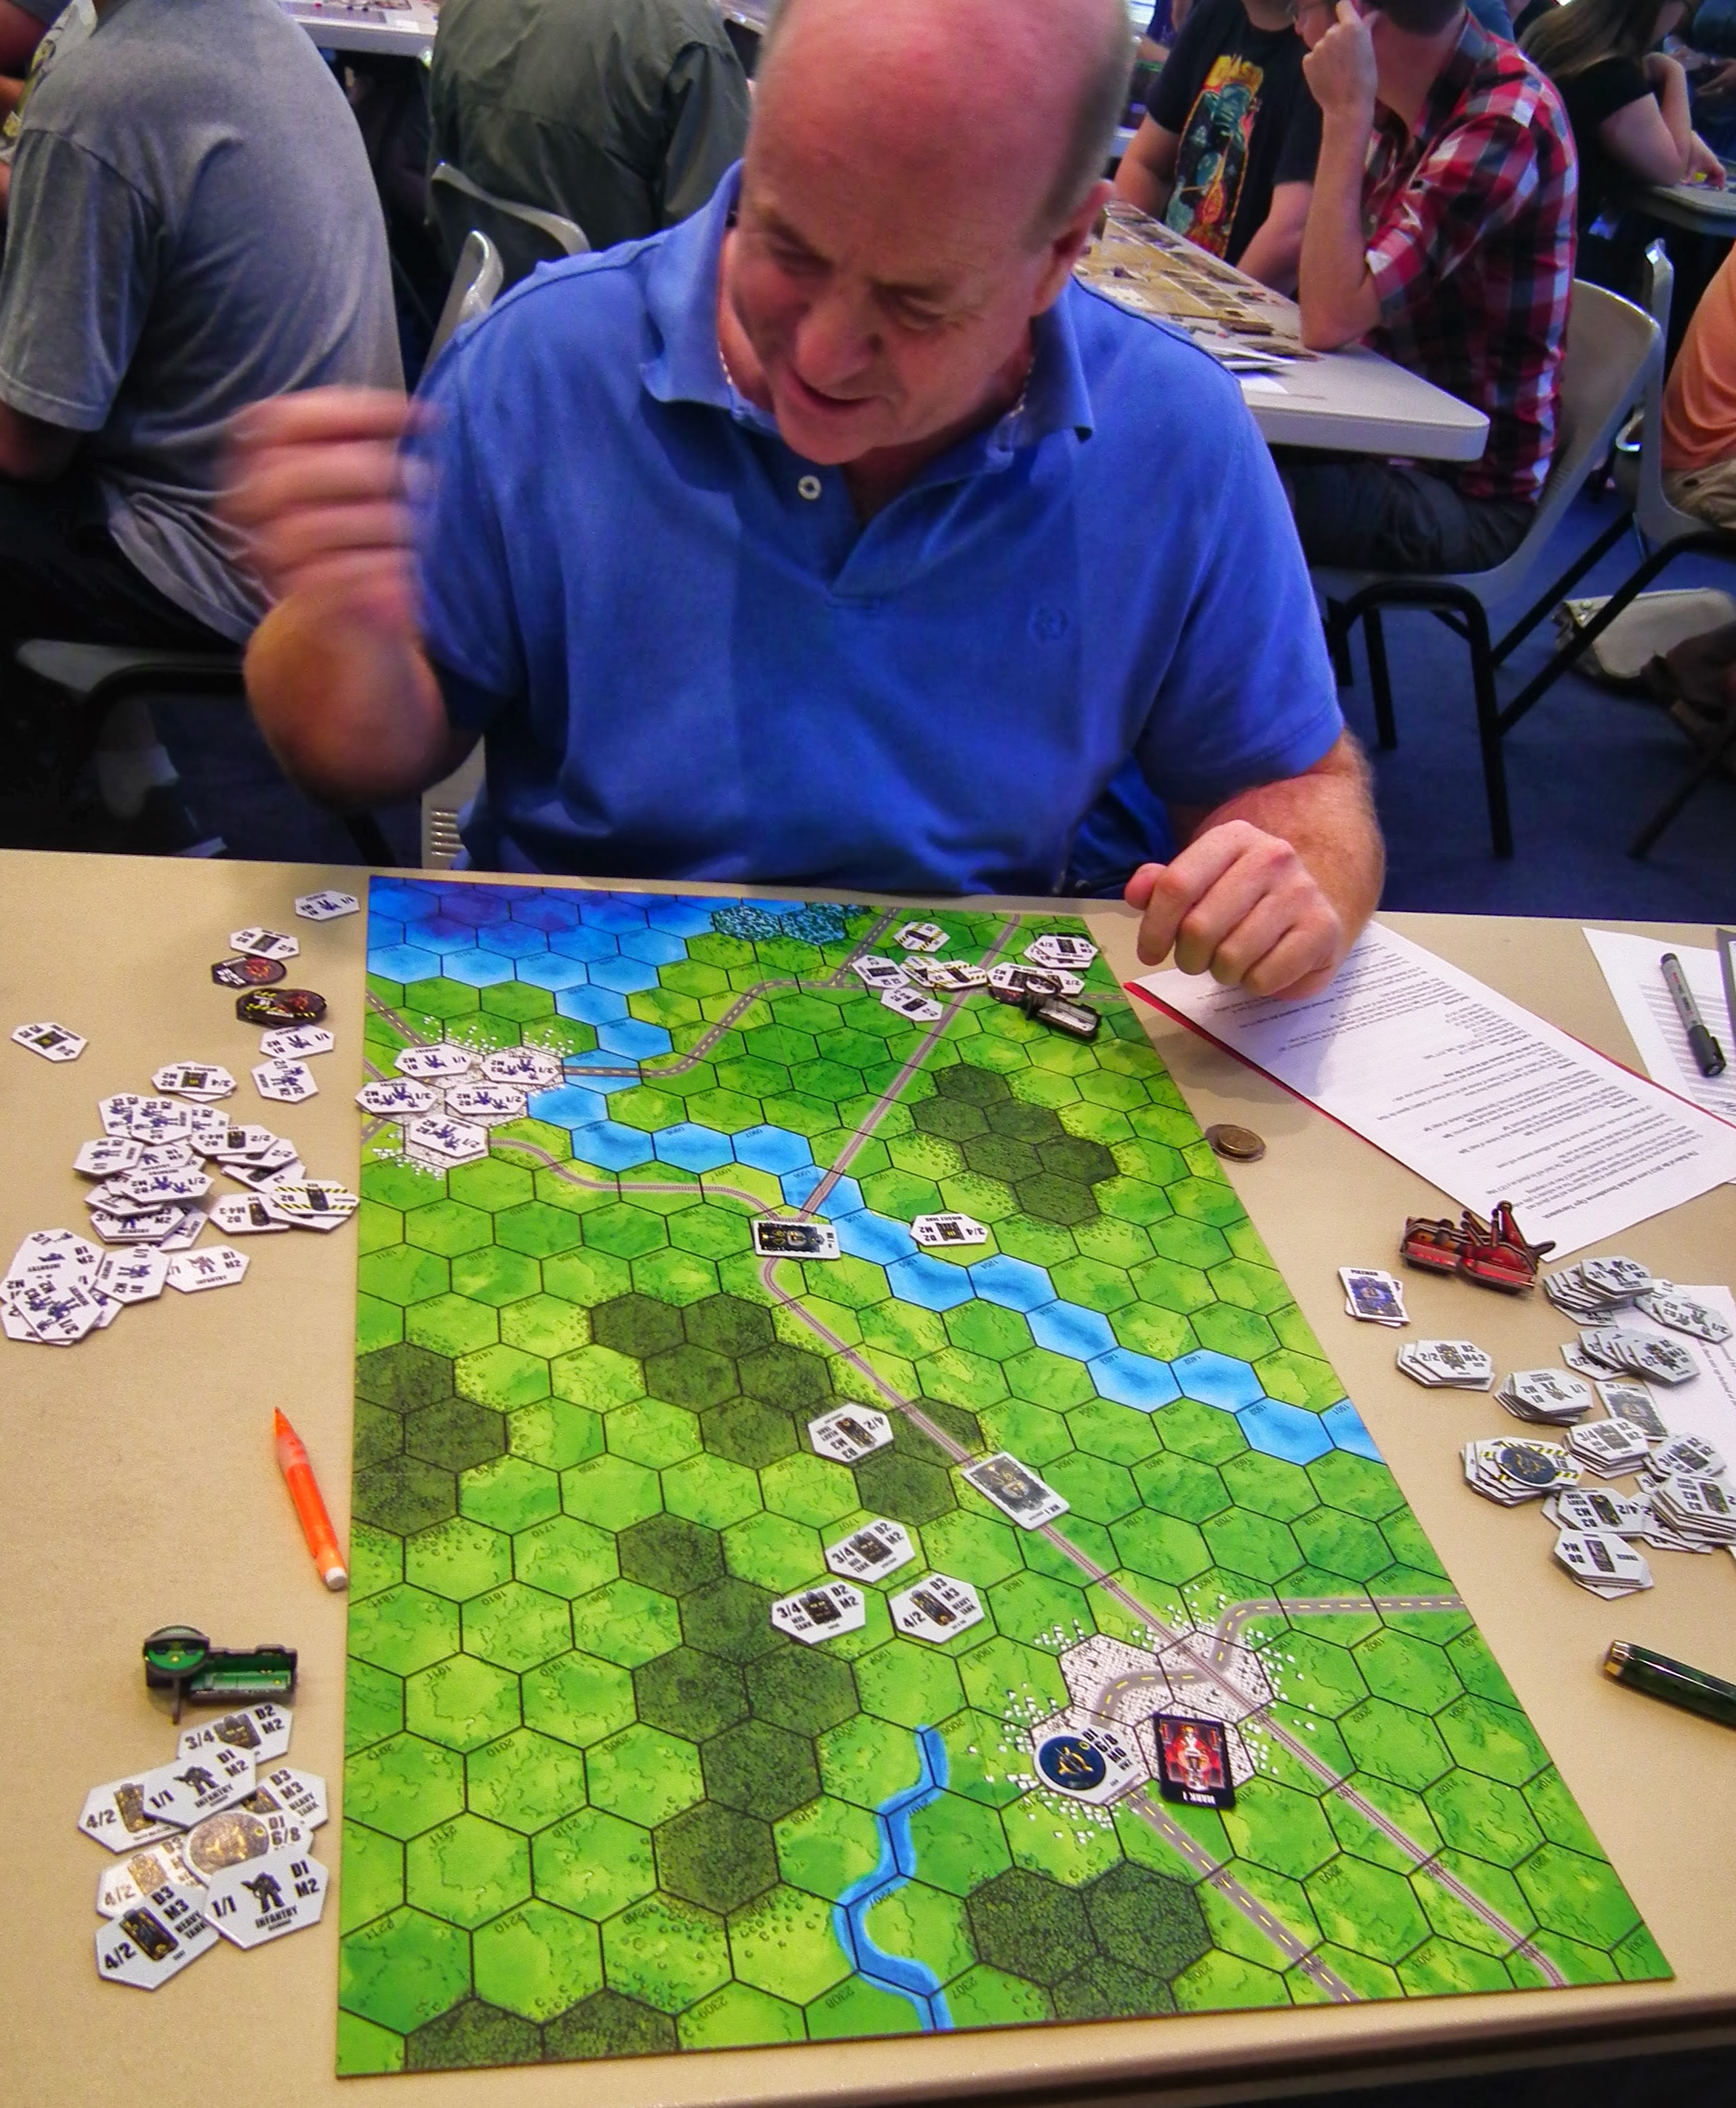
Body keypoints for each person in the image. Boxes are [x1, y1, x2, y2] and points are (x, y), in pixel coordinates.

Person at [232, 0, 1384, 1000]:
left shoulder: (1174, 434)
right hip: (569, 993)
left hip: (946, 1018)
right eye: (785, 247)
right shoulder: (547, 361)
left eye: (917, 302)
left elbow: (1292, 781)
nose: (824, 356)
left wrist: (1290, 879)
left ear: (1061, 249)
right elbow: (366, 755)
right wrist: (334, 635)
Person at [0, 0, 402, 848]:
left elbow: (29, 447)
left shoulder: (103, 94)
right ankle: (127, 772)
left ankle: (57, 817)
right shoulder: (270, 35)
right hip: (320, 548)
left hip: (216, 565)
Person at [1285, 0, 1576, 573]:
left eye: (1303, 6)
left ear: (1355, 18)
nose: (1297, 25)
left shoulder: (1509, 120)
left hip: (1463, 490)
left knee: (1229, 488)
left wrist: (1345, 114)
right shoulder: (1404, 104)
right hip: (1376, 436)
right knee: (1198, 432)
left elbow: (1328, 315)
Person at [428, 0, 751, 255]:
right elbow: (709, 257)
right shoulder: (687, 40)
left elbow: (437, 198)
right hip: (606, 310)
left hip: (473, 300)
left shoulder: (464, 9)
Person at [1113, 0, 1321, 291]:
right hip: (1161, 290)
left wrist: (1202, 303)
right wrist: (1125, 267)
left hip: (1237, 308)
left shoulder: (1321, 49)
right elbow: (1145, 165)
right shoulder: (1214, 13)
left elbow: (1291, 235)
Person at [1523, 0, 1724, 288]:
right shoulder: (1614, 77)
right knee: (1676, 274)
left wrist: (1687, 136)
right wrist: (1674, 73)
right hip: (1548, 257)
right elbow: (1671, 168)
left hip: (1515, 229)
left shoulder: (1550, 33)